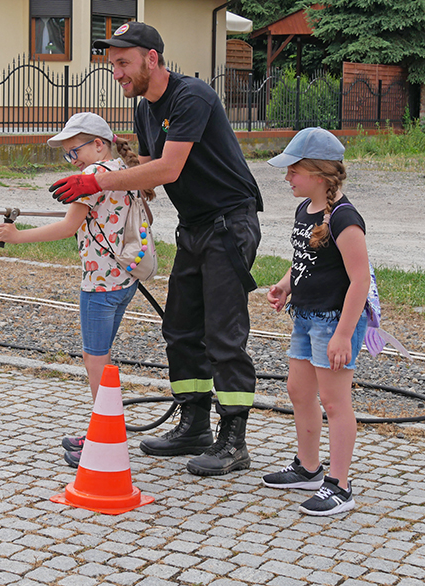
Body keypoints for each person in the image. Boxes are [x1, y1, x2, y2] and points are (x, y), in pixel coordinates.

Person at [48, 22, 263, 477]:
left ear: (152, 58)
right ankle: (194, 426)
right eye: (113, 65)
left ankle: (233, 440)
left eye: (123, 63)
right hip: (195, 227)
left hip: (230, 224)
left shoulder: (192, 97)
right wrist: (101, 176)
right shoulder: (146, 109)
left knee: (223, 334)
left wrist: (96, 182)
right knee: (181, 330)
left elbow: (168, 168)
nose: (117, 74)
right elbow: (145, 167)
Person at [0, 112, 153, 468]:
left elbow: (68, 227)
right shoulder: (121, 170)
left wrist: (17, 236)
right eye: (67, 155)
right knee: (102, 358)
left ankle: (104, 438)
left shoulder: (92, 176)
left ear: (98, 144)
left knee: (96, 362)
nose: (72, 160)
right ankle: (102, 429)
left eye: (74, 151)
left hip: (98, 285)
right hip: (124, 280)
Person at [262, 127, 369, 516]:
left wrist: (343, 335)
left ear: (320, 174)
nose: (287, 178)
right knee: (298, 390)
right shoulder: (305, 209)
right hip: (305, 317)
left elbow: (360, 280)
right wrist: (285, 285)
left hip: (333, 322)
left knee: (335, 402)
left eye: (294, 171)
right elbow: (305, 261)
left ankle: (340, 485)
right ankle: (308, 469)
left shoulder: (345, 219)